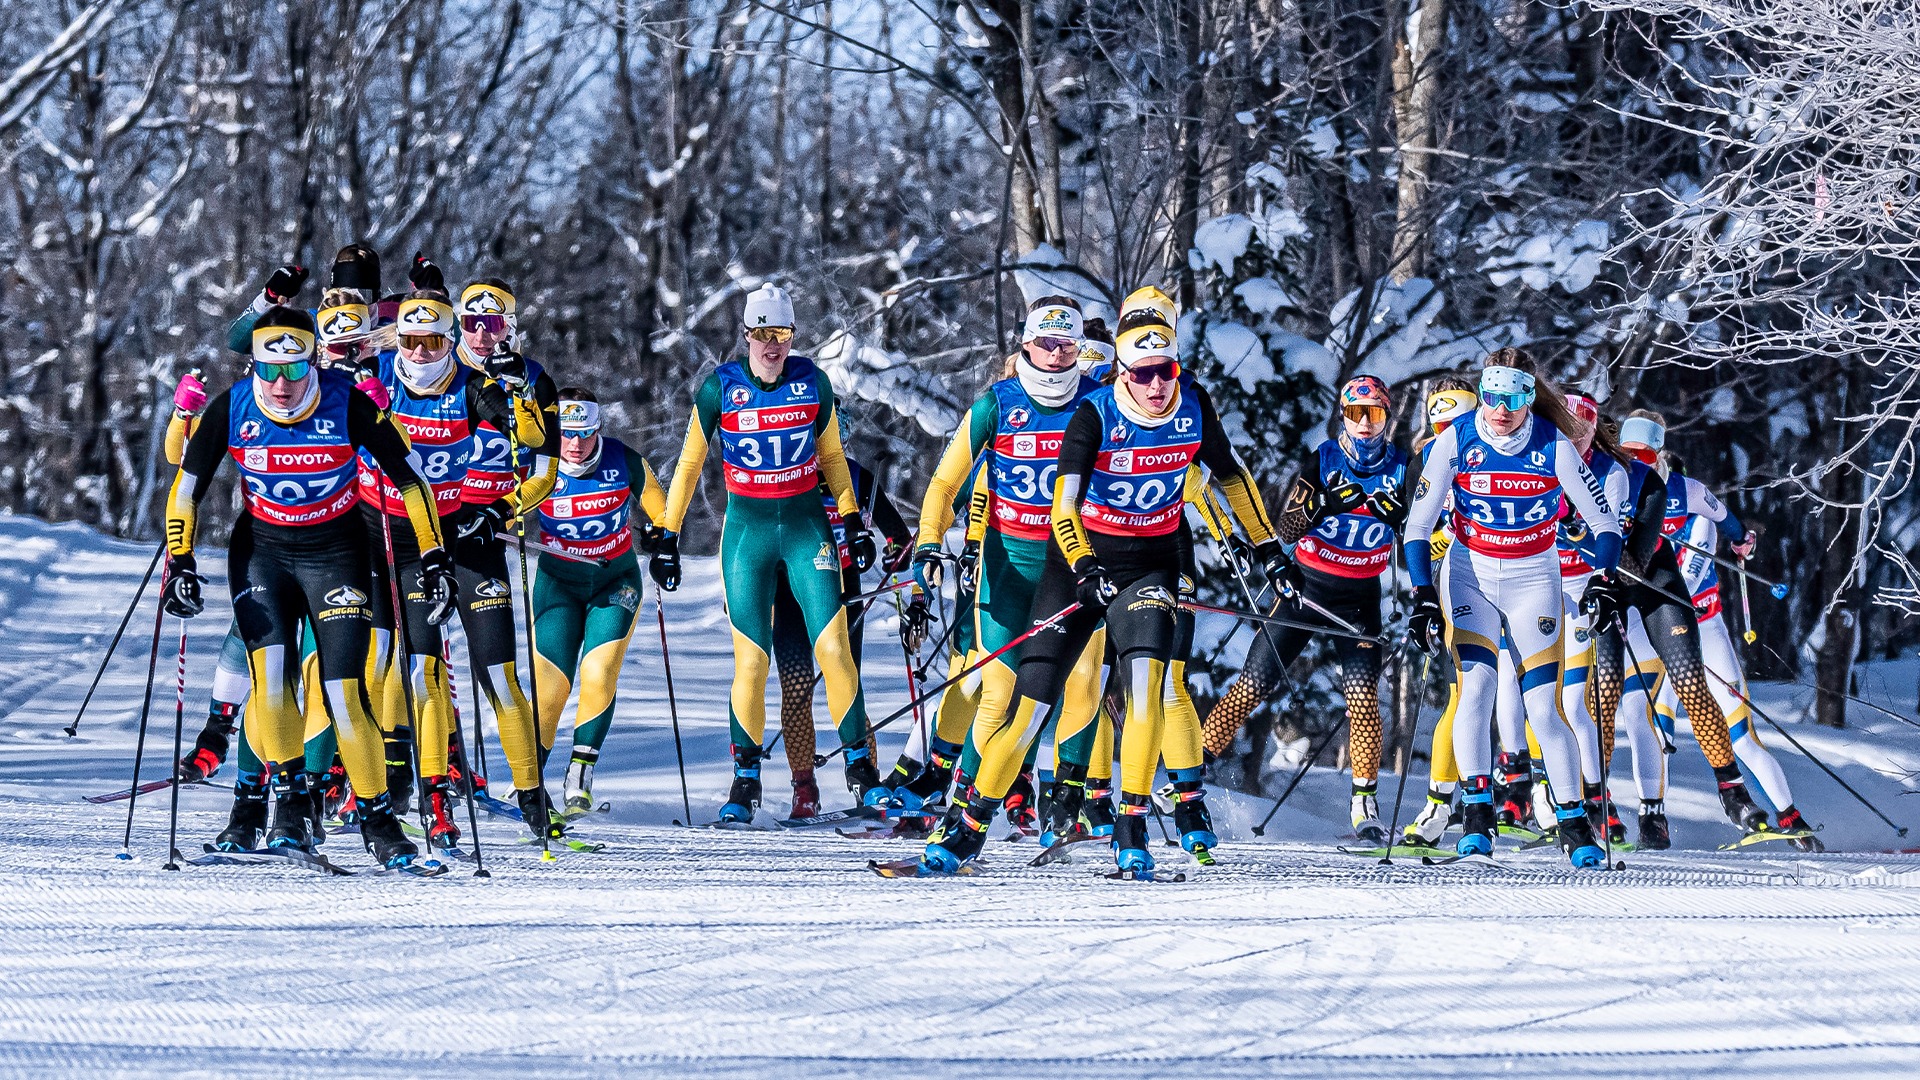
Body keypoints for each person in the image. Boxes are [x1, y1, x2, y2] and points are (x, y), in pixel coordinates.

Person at [911, 319, 1282, 875]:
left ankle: (1131, 827)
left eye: (1167, 372)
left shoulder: (1193, 407)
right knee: (1029, 708)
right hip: (1077, 564)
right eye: (1143, 374)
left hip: (1150, 568)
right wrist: (1084, 567)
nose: (1157, 387)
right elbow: (1064, 508)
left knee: (1146, 687)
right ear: (1122, 374)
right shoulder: (1096, 414)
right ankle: (972, 823)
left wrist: (1268, 549)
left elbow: (1229, 477)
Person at [162, 305, 451, 868]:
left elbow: (411, 480)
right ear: (254, 367)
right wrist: (181, 559)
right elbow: (186, 486)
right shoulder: (234, 406)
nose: (283, 384)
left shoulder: (347, 401)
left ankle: (377, 818)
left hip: (337, 554)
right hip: (263, 555)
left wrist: (436, 555)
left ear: (312, 364)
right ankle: (285, 804)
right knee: (271, 683)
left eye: (296, 371)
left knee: (345, 692)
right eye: (270, 371)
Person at [652, 283, 880, 822]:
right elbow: (688, 465)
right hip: (748, 535)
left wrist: (851, 519)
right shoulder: (720, 388)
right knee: (751, 663)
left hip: (805, 530)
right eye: (761, 334)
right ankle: (745, 781)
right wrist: (667, 533)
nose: (771, 346)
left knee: (835, 653)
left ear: (792, 336)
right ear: (746, 336)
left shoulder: (813, 383)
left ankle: (861, 774)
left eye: (781, 334)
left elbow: (833, 458)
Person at [905, 297, 1114, 846]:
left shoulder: (1100, 404)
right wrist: (930, 543)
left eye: (1065, 344)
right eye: (1045, 343)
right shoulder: (998, 404)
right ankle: (960, 808)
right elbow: (946, 484)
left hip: (1074, 564)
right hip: (1009, 564)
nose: (1055, 354)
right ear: (1025, 345)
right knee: (997, 696)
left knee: (1083, 684)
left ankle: (1067, 807)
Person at [1401, 349, 1621, 867]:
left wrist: (1605, 579)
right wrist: (1422, 596)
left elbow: (1604, 523)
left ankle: (1573, 821)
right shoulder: (1456, 440)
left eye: (1515, 397)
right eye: (1493, 396)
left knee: (1543, 706)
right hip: (1469, 575)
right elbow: (1416, 526)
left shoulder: (1554, 445)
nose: (1502, 409)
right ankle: (1477, 815)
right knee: (1475, 689)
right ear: (1483, 392)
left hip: (1532, 578)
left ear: (1530, 396)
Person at [1198, 374, 1410, 845]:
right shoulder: (1325, 459)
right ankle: (1190, 776)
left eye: (1374, 414)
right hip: (1307, 590)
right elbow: (1289, 529)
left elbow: (1420, 526)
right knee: (1251, 687)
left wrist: (1401, 513)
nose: (1365, 424)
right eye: (1356, 414)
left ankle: (1364, 804)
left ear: (1387, 417)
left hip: (1359, 600)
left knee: (1362, 700)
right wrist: (1324, 503)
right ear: (1343, 415)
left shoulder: (1402, 464)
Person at [1604, 413, 1794, 843]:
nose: (1640, 465)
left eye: (1648, 457)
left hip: (1665, 598)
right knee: (1627, 709)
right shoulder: (1603, 477)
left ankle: (1737, 794)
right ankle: (1619, 808)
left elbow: (1726, 519)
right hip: (1620, 600)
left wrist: (1741, 538)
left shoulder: (1682, 490)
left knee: (1691, 693)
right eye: (1631, 455)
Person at [528, 389, 668, 817]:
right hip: (558, 584)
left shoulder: (623, 461)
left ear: (598, 429)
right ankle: (530, 787)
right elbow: (497, 501)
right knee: (550, 689)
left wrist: (663, 542)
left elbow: (663, 512)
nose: (575, 444)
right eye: (567, 433)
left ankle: (580, 773)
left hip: (615, 581)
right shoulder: (538, 464)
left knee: (599, 669)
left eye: (585, 433)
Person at [773, 446, 914, 817]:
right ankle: (803, 788)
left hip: (840, 584)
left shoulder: (853, 475)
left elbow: (899, 535)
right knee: (797, 685)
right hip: (787, 587)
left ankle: (866, 783)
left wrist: (897, 551)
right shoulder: (777, 473)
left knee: (844, 680)